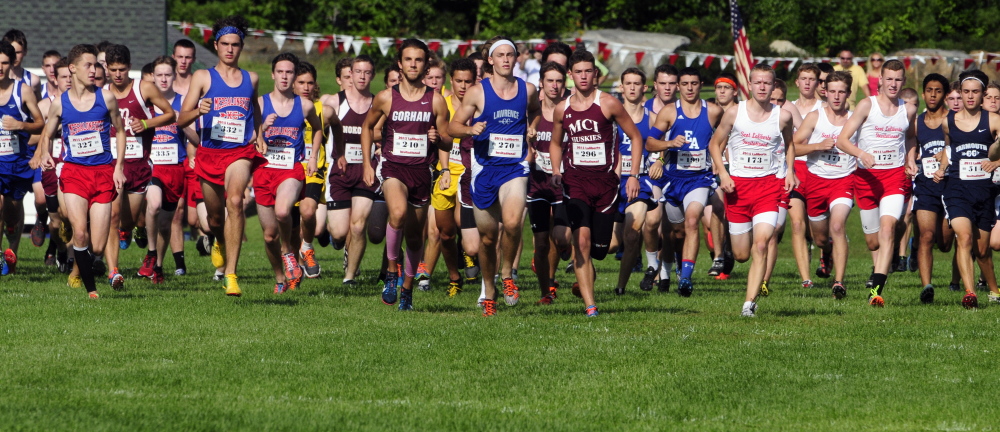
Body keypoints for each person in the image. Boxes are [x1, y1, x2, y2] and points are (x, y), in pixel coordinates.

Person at [547, 49, 643, 317]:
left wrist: (632, 174)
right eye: (578, 72)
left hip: (606, 185)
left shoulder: (609, 103)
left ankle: (586, 273)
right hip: (575, 182)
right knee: (583, 242)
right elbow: (556, 143)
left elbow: (636, 137)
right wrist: (557, 170)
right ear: (570, 76)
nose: (583, 76)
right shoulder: (562, 109)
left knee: (603, 248)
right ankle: (591, 306)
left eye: (588, 71)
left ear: (596, 74)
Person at [448, 36, 540, 315]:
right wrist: (469, 130)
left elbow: (535, 110)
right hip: (485, 169)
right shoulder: (477, 92)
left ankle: (508, 274)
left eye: (510, 55)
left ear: (516, 59)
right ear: (490, 60)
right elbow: (453, 126)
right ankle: (489, 288)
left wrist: (532, 127)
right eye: (499, 55)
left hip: (515, 167)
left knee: (512, 223)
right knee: (487, 239)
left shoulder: (528, 89)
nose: (505, 60)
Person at [177, 16, 266, 296]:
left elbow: (255, 109)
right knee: (215, 220)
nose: (230, 49)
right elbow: (181, 119)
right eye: (225, 44)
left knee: (236, 202)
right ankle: (218, 240)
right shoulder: (203, 77)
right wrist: (198, 111)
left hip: (239, 152)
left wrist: (260, 134)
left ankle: (231, 274)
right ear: (216, 45)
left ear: (241, 47)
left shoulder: (251, 78)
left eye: (236, 45)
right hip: (209, 153)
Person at [29, 43, 127, 298]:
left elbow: (119, 130)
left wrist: (118, 167)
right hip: (74, 174)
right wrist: (46, 153)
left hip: (103, 174)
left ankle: (77, 269)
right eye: (88, 65)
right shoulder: (60, 104)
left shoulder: (106, 98)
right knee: (80, 232)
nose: (94, 70)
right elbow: (47, 134)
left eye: (95, 65)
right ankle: (92, 291)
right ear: (72, 69)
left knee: (95, 244)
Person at [362, 38, 451, 311]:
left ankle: (408, 291)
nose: (413, 64)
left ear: (426, 65)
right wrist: (367, 163)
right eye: (408, 59)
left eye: (419, 60)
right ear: (400, 64)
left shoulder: (436, 100)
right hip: (392, 167)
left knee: (415, 237)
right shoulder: (386, 97)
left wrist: (439, 142)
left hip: (421, 172)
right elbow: (367, 128)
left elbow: (448, 140)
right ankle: (391, 273)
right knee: (397, 213)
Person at [709, 64, 796, 317]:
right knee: (742, 254)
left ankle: (749, 304)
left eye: (767, 83)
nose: (761, 87)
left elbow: (790, 144)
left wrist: (790, 171)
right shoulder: (735, 113)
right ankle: (735, 261)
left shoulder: (782, 116)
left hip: (769, 187)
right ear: (749, 85)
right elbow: (715, 145)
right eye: (757, 82)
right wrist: (723, 173)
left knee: (761, 245)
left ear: (773, 86)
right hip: (738, 188)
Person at [835, 59, 918, 307]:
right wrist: (861, 154)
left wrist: (910, 158)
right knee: (873, 241)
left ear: (903, 82)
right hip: (866, 178)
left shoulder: (908, 109)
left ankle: (877, 291)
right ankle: (890, 249)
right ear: (880, 80)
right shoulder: (866, 105)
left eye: (898, 79)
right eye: (889, 79)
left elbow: (911, 138)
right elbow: (842, 140)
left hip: (894, 177)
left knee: (887, 229)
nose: (893, 84)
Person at [101, 44, 175, 290]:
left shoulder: (144, 88)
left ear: (130, 67)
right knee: (112, 217)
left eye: (122, 69)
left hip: (139, 165)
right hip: (112, 165)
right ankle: (114, 271)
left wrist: (146, 122)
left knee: (128, 222)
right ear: (107, 69)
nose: (118, 74)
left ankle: (135, 229)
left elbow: (170, 114)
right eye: (113, 70)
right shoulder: (103, 93)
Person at [645, 67, 723, 296]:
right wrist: (669, 144)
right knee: (672, 233)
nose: (690, 88)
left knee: (692, 221)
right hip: (673, 180)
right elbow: (650, 143)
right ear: (679, 86)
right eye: (685, 83)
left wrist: (717, 156)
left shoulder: (713, 111)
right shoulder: (669, 112)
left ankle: (686, 279)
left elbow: (726, 133)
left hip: (699, 179)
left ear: (701, 85)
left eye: (694, 83)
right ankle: (667, 273)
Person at [255, 52, 323, 294]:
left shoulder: (304, 105)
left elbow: (318, 129)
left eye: (289, 72)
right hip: (264, 171)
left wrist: (313, 156)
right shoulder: (261, 104)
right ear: (273, 74)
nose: (284, 76)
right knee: (268, 236)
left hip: (291, 170)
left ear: (294, 77)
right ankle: (280, 278)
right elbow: (249, 137)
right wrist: (263, 128)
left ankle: (288, 252)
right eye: (280, 72)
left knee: (284, 212)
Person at [934, 70, 1000, 308]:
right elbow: (949, 151)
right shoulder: (948, 122)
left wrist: (996, 162)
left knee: (982, 251)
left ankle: (994, 289)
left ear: (983, 94)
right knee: (964, 237)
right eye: (966, 92)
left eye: (975, 92)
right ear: (959, 93)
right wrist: (941, 168)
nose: (970, 97)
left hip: (984, 191)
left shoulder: (993, 120)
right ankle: (970, 293)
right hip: (957, 189)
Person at [792, 71, 857, 298]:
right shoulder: (814, 117)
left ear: (848, 93)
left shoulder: (855, 118)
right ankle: (826, 251)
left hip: (844, 180)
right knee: (820, 237)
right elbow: (794, 147)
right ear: (825, 92)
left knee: (837, 226)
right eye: (832, 91)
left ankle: (839, 282)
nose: (837, 96)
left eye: (841, 92)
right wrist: (817, 145)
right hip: (816, 182)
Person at [139, 56, 198, 283]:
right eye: (159, 75)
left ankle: (158, 266)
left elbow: (196, 139)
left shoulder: (184, 103)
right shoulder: (146, 103)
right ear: (153, 76)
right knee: (153, 205)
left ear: (175, 76)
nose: (163, 79)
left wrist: (181, 122)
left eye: (168, 75)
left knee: (165, 224)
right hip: (151, 166)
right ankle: (151, 253)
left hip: (175, 168)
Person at [328, 55, 387, 285]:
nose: (362, 77)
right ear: (349, 74)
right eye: (357, 72)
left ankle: (349, 276)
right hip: (340, 171)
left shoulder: (379, 103)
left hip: (367, 169)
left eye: (367, 72)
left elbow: (386, 132)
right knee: (341, 232)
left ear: (372, 75)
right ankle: (340, 241)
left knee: (359, 224)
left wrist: (381, 146)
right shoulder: (335, 101)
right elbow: (319, 123)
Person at [423, 57, 477, 296]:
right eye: (458, 81)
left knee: (460, 224)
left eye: (468, 81)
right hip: (445, 172)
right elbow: (441, 140)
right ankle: (454, 278)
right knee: (444, 233)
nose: (463, 86)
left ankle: (469, 253)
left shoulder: (480, 106)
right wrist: (432, 139)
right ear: (451, 81)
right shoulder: (441, 104)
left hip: (471, 174)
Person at [605, 67, 655, 295]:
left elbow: (662, 146)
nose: (633, 88)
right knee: (611, 245)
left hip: (640, 182)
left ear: (644, 88)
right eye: (629, 83)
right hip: (612, 184)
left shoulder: (652, 118)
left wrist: (660, 161)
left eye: (637, 84)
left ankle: (621, 287)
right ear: (621, 87)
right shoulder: (609, 116)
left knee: (633, 234)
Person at [527, 61, 571, 304]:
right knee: (541, 244)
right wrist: (528, 149)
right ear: (541, 84)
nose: (554, 85)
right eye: (550, 81)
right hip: (538, 184)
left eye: (559, 81)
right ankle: (546, 291)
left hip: (565, 184)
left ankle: (567, 249)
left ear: (564, 85)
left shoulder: (570, 112)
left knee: (562, 238)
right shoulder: (532, 117)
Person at [0, 41, 44, 275]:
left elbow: (41, 123)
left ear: (12, 64)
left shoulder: (22, 90)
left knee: (12, 212)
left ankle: (12, 252)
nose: (0, 67)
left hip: (17, 161)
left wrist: (20, 124)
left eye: (4, 63)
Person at [911, 73, 954, 302]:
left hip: (951, 187)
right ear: (923, 92)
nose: (933, 95)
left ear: (945, 95)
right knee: (926, 236)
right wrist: (910, 161)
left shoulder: (954, 119)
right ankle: (927, 286)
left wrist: (946, 154)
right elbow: (910, 145)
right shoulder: (917, 122)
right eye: (929, 90)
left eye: (938, 90)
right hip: (926, 186)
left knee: (945, 244)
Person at [291, 61, 335, 279]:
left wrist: (341, 153)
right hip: (286, 169)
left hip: (313, 169)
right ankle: (294, 268)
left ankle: (307, 247)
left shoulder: (323, 111)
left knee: (308, 212)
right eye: (301, 83)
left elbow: (338, 127)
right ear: (292, 83)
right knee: (288, 223)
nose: (306, 87)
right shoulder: (282, 108)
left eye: (310, 83)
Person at [36, 57, 72, 271]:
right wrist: (42, 150)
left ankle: (70, 258)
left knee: (71, 216)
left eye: (70, 76)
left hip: (71, 166)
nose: (68, 80)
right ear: (55, 79)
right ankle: (59, 248)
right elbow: (33, 137)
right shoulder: (45, 105)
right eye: (63, 77)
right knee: (57, 222)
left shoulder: (82, 103)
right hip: (50, 168)